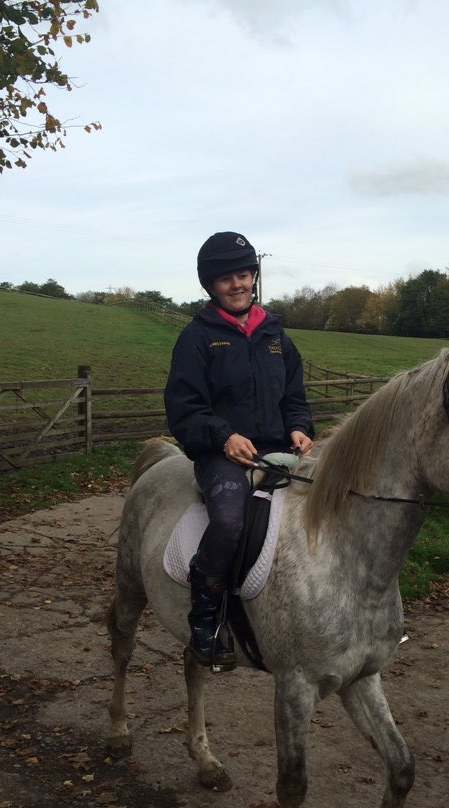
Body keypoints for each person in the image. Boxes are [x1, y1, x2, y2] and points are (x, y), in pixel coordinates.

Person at [164, 231, 314, 668]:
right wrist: (223, 436)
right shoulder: (196, 338)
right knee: (229, 521)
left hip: (279, 450)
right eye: (226, 278)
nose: (238, 284)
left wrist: (299, 427)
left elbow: (295, 398)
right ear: (210, 285)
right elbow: (185, 408)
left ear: (254, 277)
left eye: (244, 274)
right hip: (221, 454)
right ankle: (205, 619)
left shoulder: (277, 337)